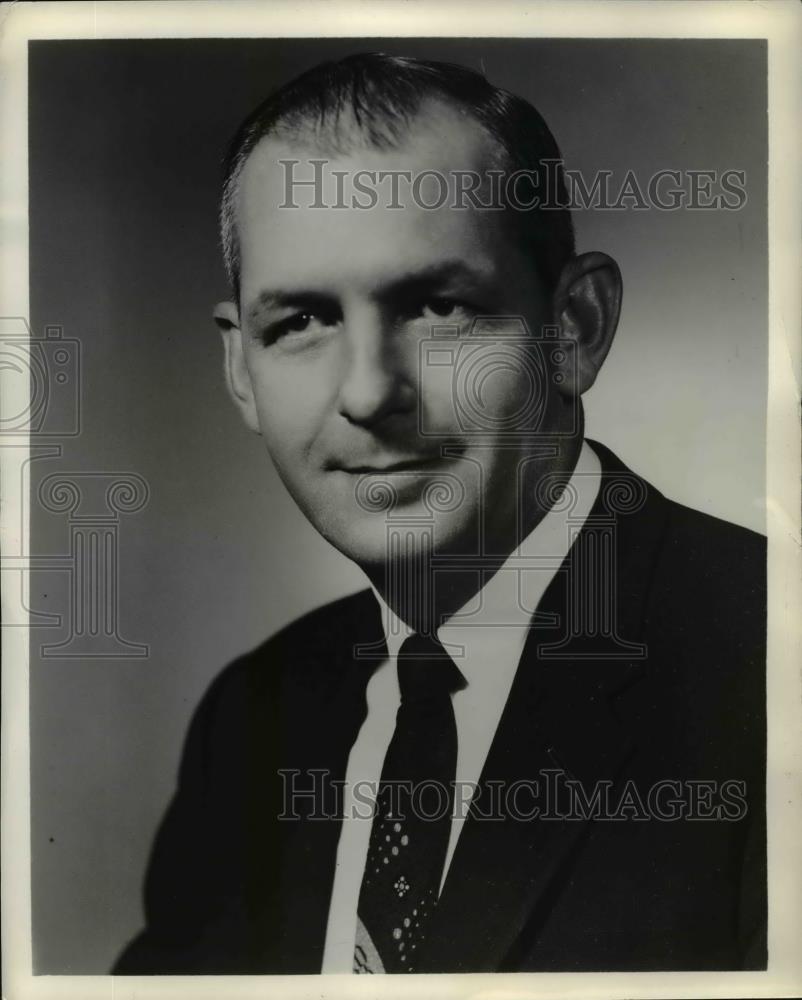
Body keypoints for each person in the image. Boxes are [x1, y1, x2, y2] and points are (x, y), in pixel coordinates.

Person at [113, 52, 766, 975]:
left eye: (437, 305)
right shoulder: (251, 722)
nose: (372, 391)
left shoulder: (774, 669)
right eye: (300, 322)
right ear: (239, 371)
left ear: (573, 329)